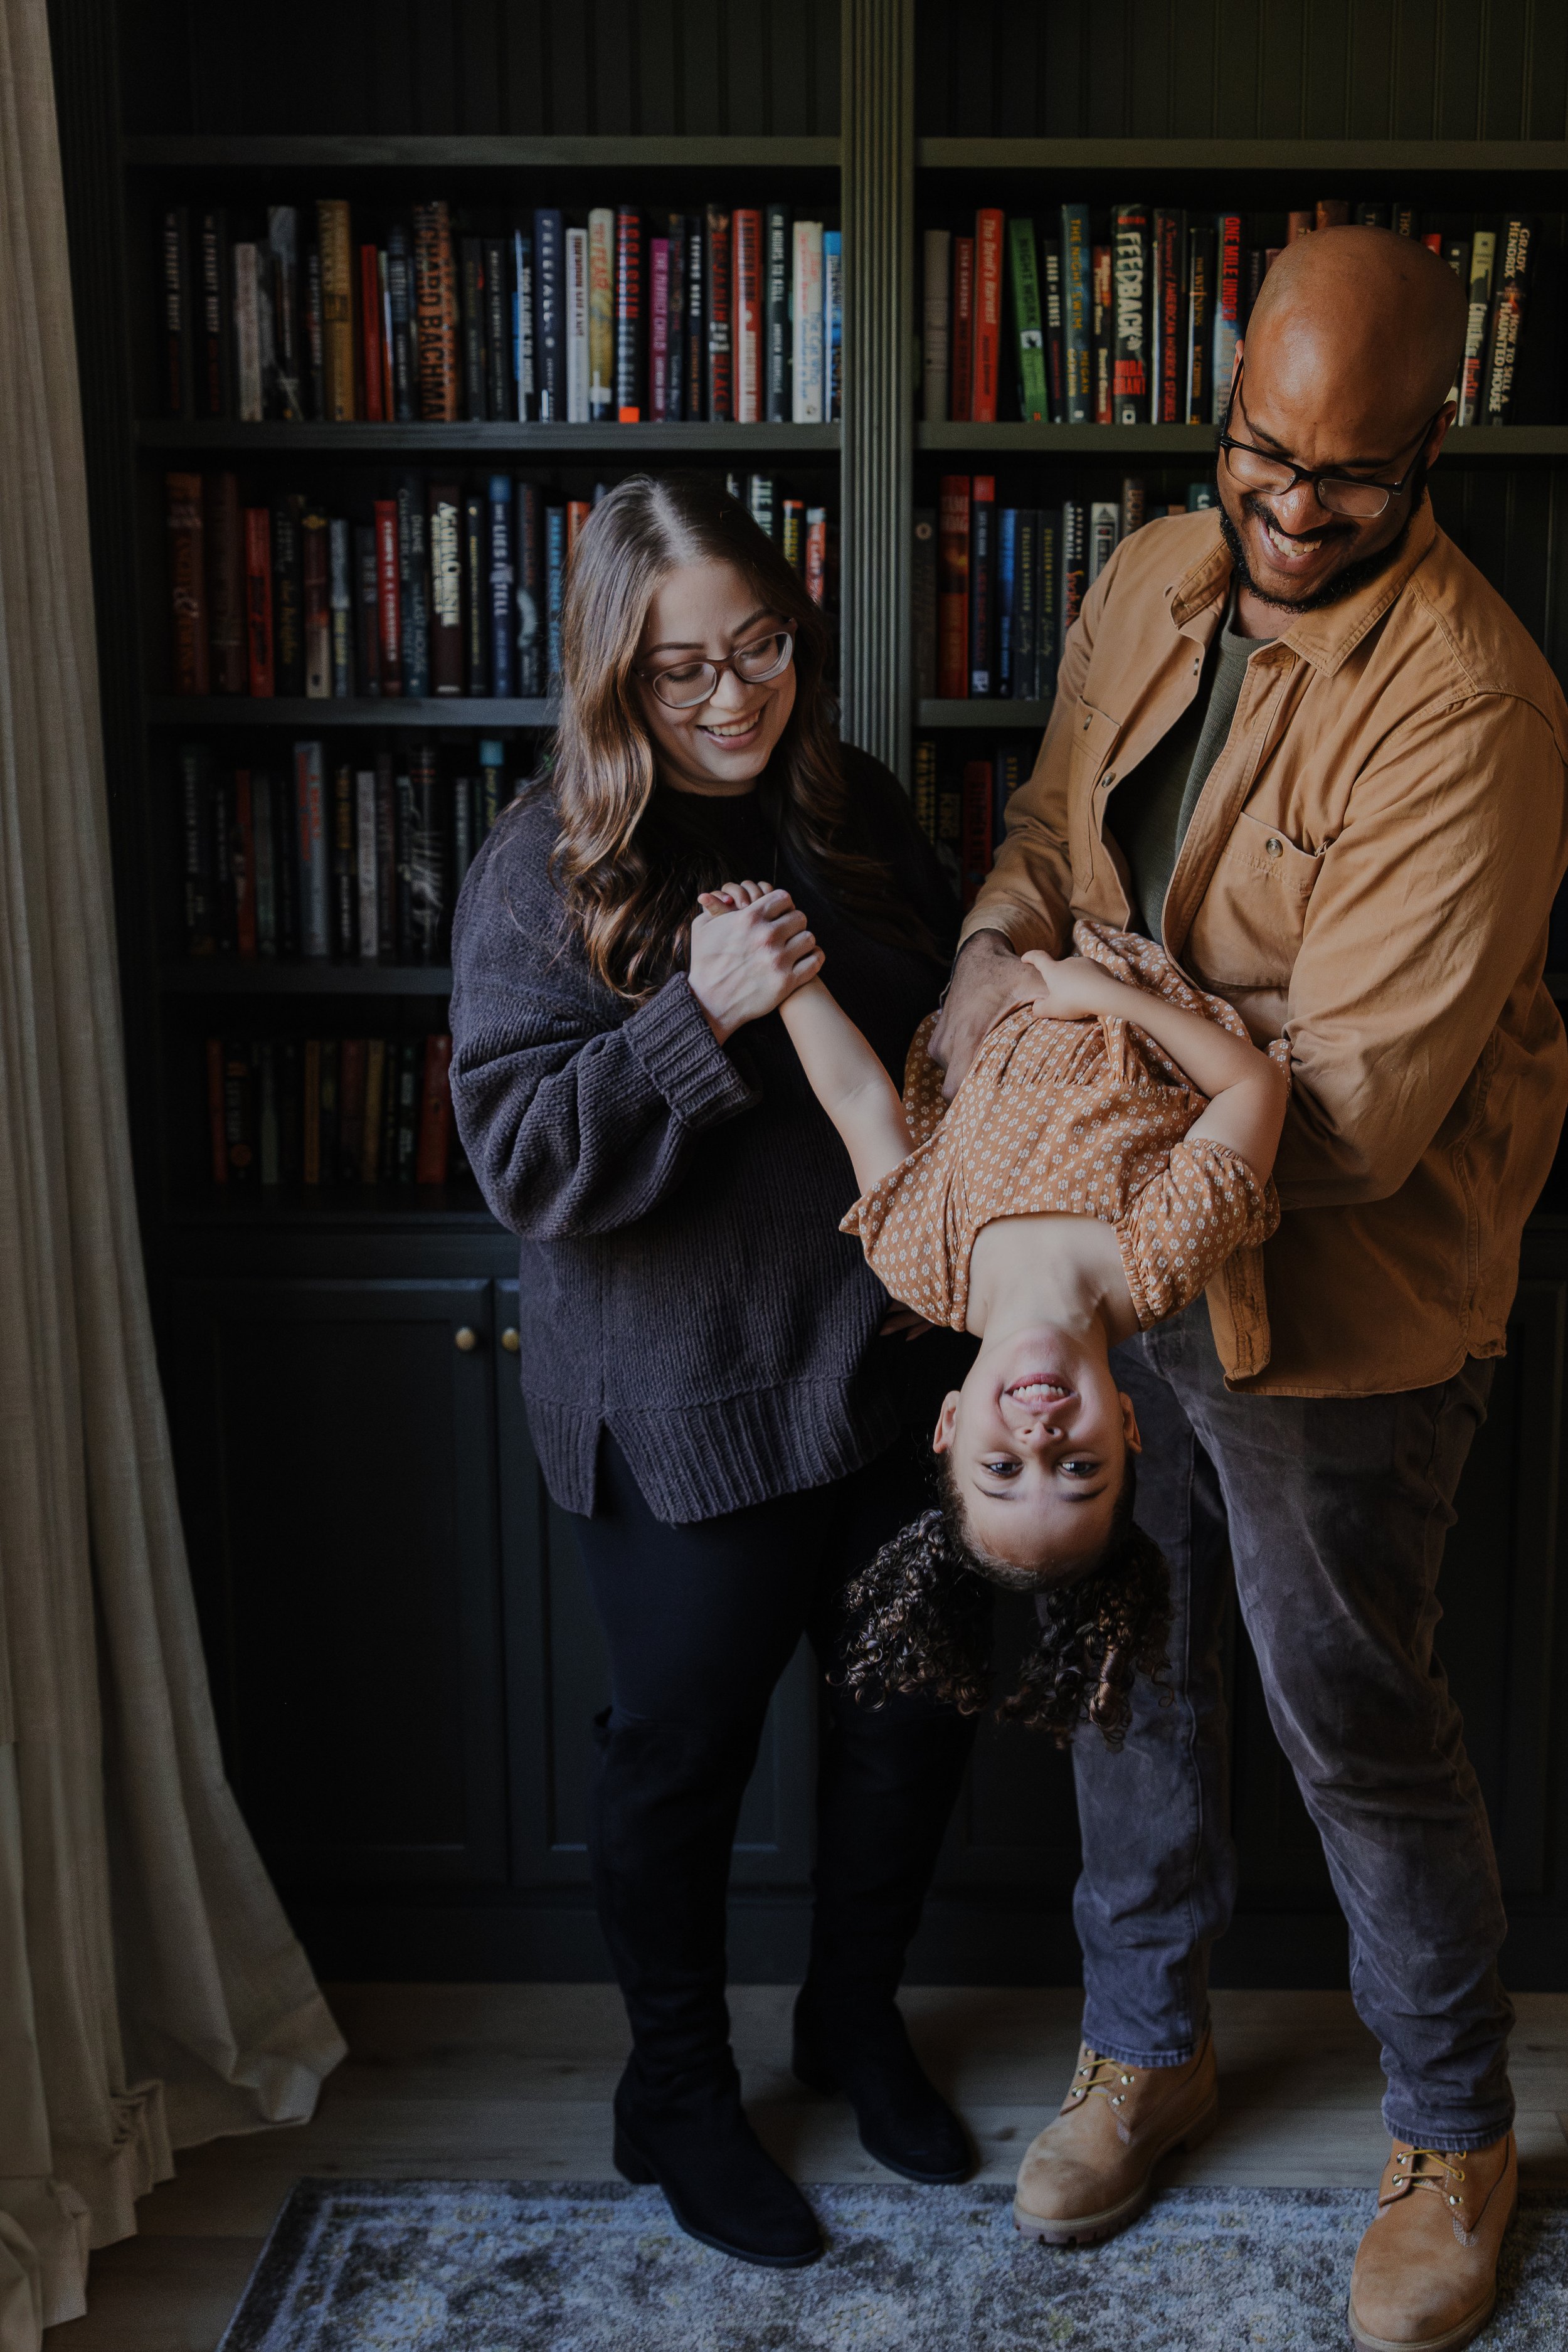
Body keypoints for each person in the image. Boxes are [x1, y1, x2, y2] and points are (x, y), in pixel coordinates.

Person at [928, 225, 1568, 2352]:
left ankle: (1456, 2127)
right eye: (1259, 459)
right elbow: (1047, 831)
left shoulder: (1475, 704)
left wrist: (1072, 1032)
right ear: (1222, 410)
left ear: (1433, 449)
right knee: (1126, 1666)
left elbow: (1363, 1118)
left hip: (1348, 1294)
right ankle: (1145, 2046)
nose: (1291, 515)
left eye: (1348, 483)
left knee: (1356, 1717)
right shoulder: (1148, 574)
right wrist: (983, 966)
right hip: (1132, 1260)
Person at [448, 473, 982, 2274]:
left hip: (890, 1371)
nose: (734, 697)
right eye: (682, 670)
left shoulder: (852, 804)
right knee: (675, 1756)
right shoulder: (548, 863)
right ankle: (673, 2088)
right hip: (681, 1399)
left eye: (758, 647)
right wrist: (695, 1017)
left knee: (906, 1722)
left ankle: (850, 2017)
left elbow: (940, 1045)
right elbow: (523, 1158)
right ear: (617, 677)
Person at [696, 888, 1287, 1744]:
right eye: (1080, 1465)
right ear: (1127, 1424)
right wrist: (1103, 996)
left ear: (949, 1423)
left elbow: (861, 1099)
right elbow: (1255, 1083)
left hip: (1020, 944)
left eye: (1001, 1468)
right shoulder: (1162, 1255)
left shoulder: (920, 1261)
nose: (1039, 1437)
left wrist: (780, 969)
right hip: (1171, 937)